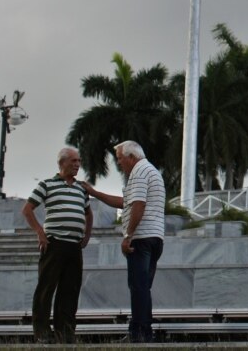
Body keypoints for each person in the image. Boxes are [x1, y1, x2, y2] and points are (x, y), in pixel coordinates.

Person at [82, 141, 165, 344]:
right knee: (143, 287)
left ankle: (139, 334)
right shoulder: (150, 171)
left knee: (138, 287)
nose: (119, 163)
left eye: (119, 158)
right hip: (154, 237)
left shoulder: (138, 172)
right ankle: (142, 331)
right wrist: (95, 193)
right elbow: (124, 202)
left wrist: (128, 235)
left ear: (131, 157)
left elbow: (138, 204)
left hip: (141, 238)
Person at [21, 146, 93, 344]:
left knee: (70, 290)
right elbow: (27, 209)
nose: (77, 165)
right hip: (55, 243)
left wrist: (87, 234)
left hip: (74, 245)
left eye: (79, 161)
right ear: (62, 163)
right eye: (73, 161)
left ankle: (65, 332)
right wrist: (40, 232)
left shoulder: (81, 188)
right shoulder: (47, 184)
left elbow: (88, 213)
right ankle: (42, 332)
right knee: (46, 287)